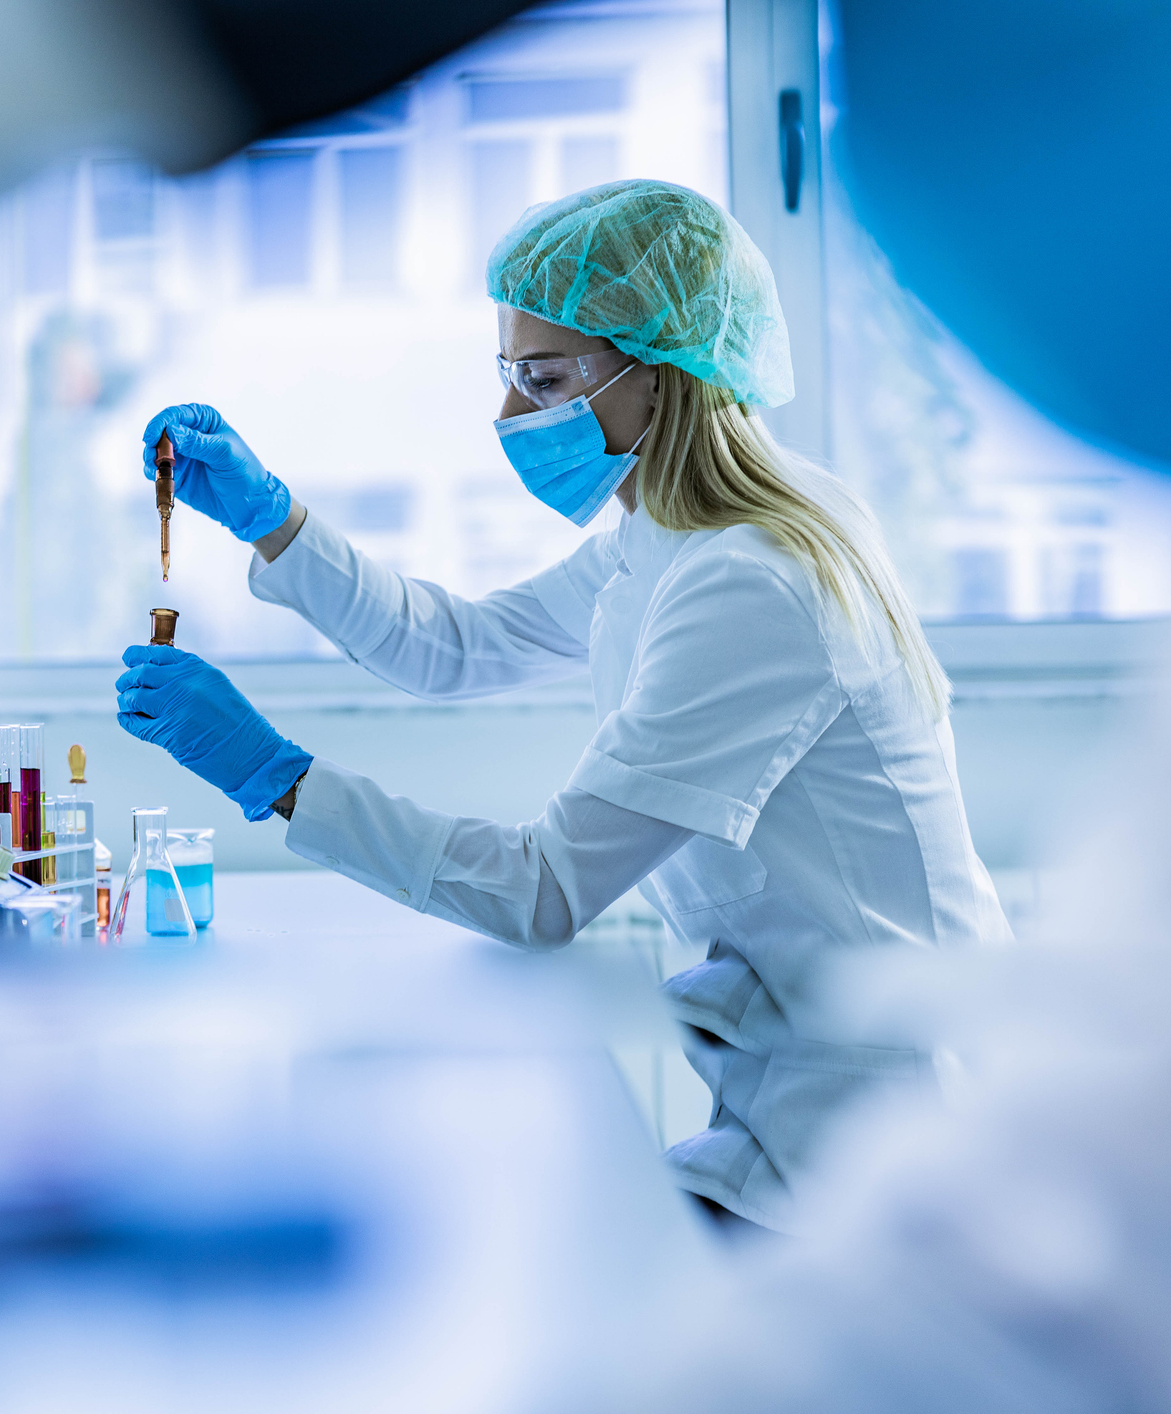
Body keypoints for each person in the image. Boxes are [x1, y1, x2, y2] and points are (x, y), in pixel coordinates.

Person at [114, 179, 1011, 1233]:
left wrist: (275, 777)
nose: (508, 418)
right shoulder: (671, 535)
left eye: (542, 381)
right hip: (798, 1108)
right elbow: (455, 647)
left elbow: (540, 893)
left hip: (885, 1142)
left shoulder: (752, 578)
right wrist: (272, 519)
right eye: (508, 377)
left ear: (662, 374)